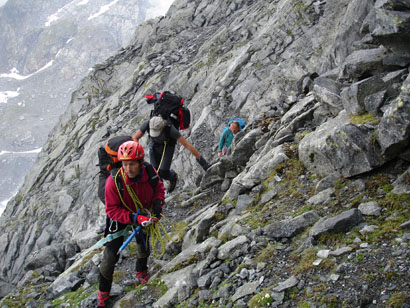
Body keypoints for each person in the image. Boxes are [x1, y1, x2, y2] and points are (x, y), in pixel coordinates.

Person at [97, 140, 165, 307]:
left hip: (143, 211)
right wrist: (134, 218)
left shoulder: (150, 173)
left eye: (132, 164)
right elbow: (111, 209)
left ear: (140, 163)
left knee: (143, 242)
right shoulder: (114, 181)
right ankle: (103, 293)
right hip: (122, 214)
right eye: (125, 164)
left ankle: (141, 272)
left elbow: (159, 189)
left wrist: (157, 206)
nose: (128, 168)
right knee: (110, 255)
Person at [133, 115, 209, 192]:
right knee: (153, 172)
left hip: (168, 145)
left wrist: (203, 162)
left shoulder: (170, 129)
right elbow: (135, 138)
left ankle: (172, 176)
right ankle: (158, 192)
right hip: (154, 145)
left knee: (163, 171)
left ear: (162, 128)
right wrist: (137, 154)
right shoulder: (147, 124)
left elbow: (187, 145)